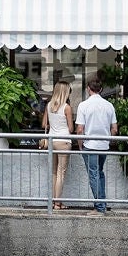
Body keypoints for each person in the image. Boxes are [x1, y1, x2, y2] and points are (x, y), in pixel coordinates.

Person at [75, 76, 118, 212]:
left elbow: (80, 129)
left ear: (88, 89)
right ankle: (101, 203)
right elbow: (114, 129)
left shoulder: (83, 105)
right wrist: (109, 141)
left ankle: (100, 206)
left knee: (94, 174)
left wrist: (80, 144)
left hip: (90, 145)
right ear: (101, 89)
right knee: (99, 173)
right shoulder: (109, 105)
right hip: (104, 146)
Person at [41, 80, 74, 208]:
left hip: (52, 141)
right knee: (61, 173)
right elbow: (71, 129)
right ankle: (57, 203)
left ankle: (54, 202)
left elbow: (44, 125)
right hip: (64, 141)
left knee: (54, 172)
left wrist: (54, 124)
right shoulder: (66, 107)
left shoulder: (49, 105)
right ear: (65, 92)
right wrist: (63, 125)